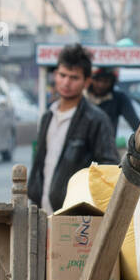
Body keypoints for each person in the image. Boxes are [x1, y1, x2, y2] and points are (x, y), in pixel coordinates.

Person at [28, 44, 117, 214]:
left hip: (75, 215)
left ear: (87, 82)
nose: (66, 82)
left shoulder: (96, 120)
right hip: (40, 211)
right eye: (62, 75)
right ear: (55, 75)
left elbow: (109, 169)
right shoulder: (48, 116)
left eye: (74, 78)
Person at [87, 67, 140, 134]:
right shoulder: (80, 97)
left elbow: (136, 124)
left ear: (112, 82)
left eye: (106, 81)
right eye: (98, 80)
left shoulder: (119, 98)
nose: (101, 85)